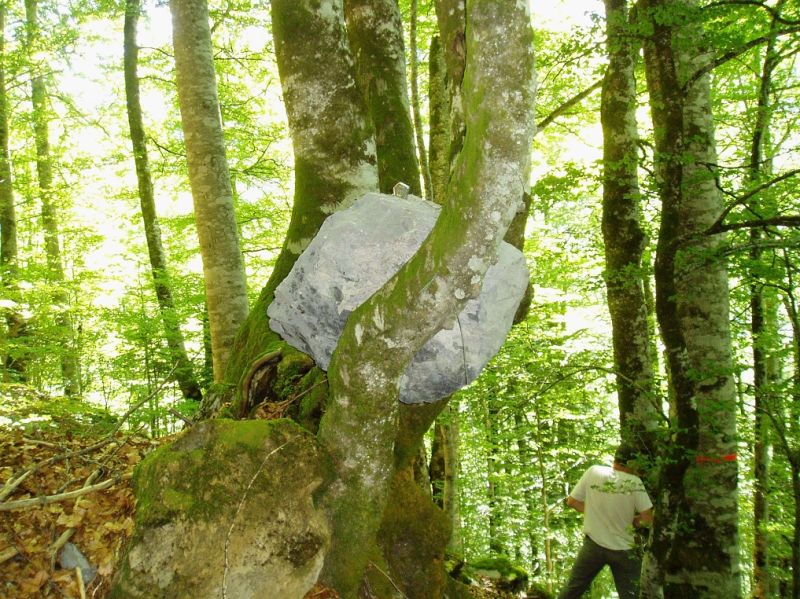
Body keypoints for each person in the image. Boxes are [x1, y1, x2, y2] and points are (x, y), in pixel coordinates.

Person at [557, 444, 653, 599]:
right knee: (631, 595)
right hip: (624, 550)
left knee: (572, 590)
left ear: (615, 458)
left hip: (593, 546)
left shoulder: (594, 471)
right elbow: (648, 519)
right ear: (631, 463)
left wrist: (596, 514)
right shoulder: (635, 482)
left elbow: (572, 501)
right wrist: (635, 522)